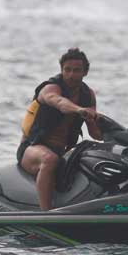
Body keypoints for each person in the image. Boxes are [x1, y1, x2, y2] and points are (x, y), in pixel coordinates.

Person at [17, 48, 102, 210]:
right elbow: (59, 102)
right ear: (61, 70)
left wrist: (102, 126)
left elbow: (95, 134)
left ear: (85, 72)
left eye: (76, 70)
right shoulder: (50, 88)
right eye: (67, 70)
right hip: (32, 148)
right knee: (49, 160)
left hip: (62, 150)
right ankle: (46, 213)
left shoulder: (88, 95)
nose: (71, 75)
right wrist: (79, 110)